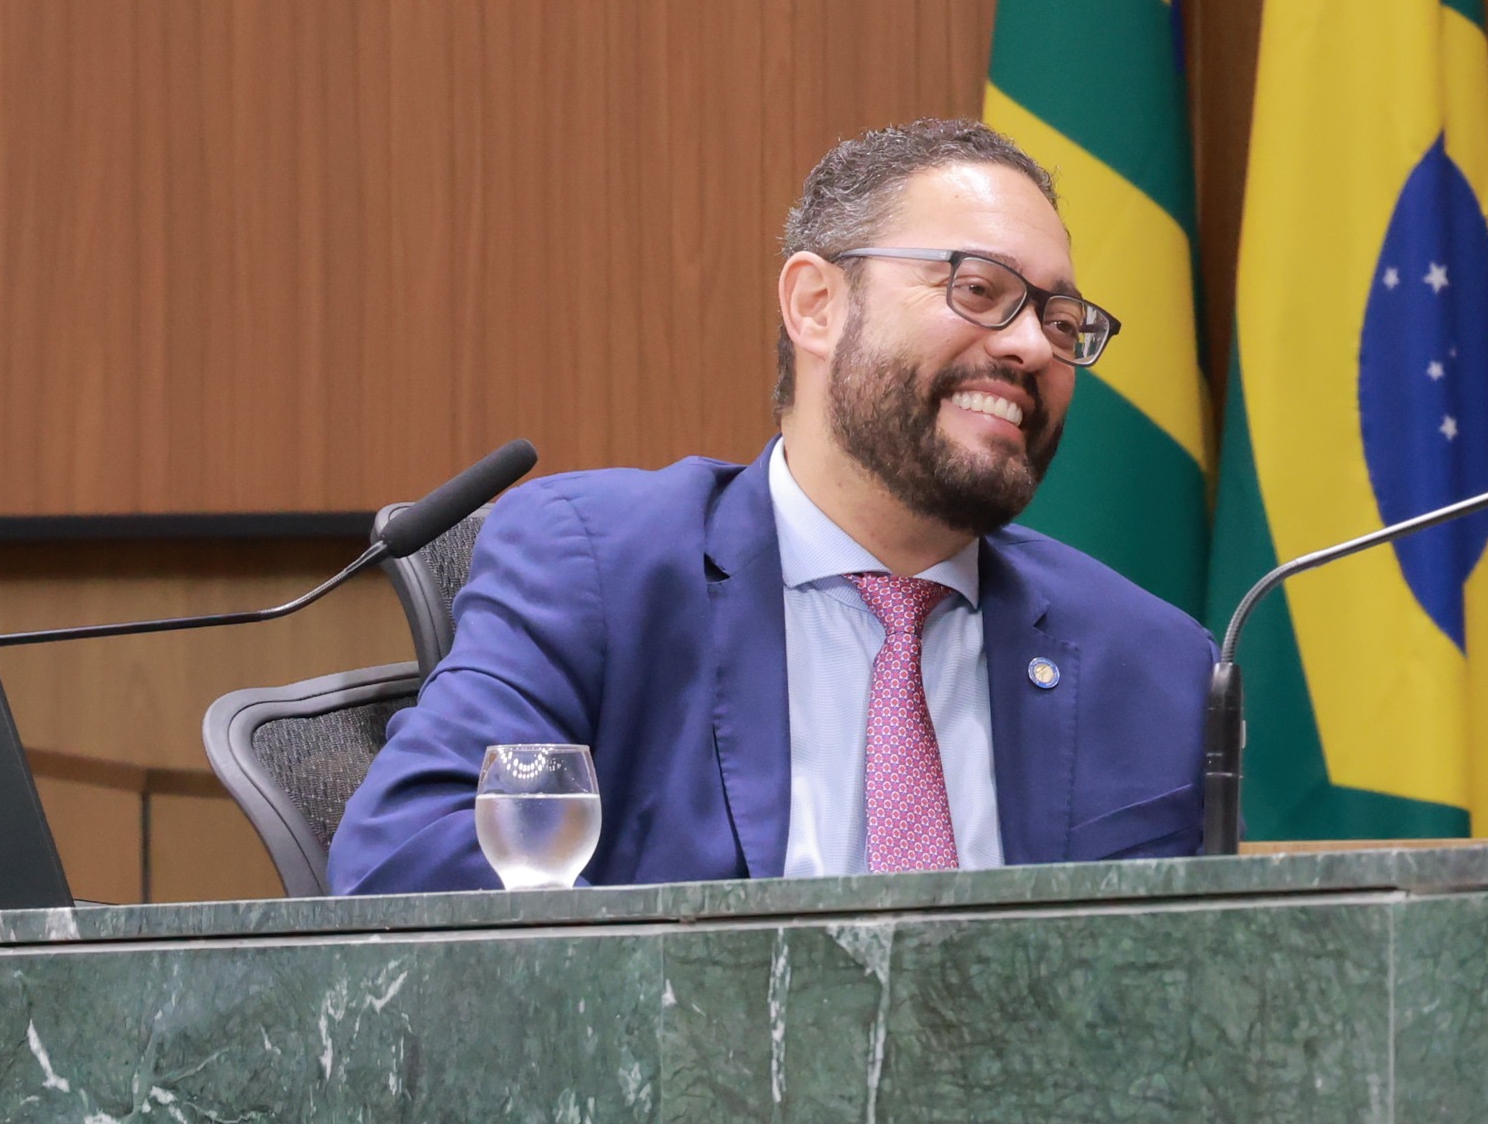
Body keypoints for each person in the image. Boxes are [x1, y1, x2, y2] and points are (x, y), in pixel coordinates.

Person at [333, 120, 1213, 893]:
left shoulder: (1152, 662)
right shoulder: (596, 568)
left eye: (1061, 323)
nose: (1032, 347)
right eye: (979, 290)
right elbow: (407, 865)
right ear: (816, 305)